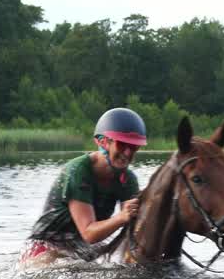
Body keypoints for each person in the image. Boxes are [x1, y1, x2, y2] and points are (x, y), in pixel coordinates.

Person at [22, 107, 147, 263]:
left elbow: (133, 229)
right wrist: (122, 217)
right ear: (102, 141)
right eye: (122, 144)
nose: (128, 153)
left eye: (134, 147)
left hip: (82, 246)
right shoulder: (78, 171)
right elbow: (89, 233)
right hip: (48, 245)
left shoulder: (128, 179)